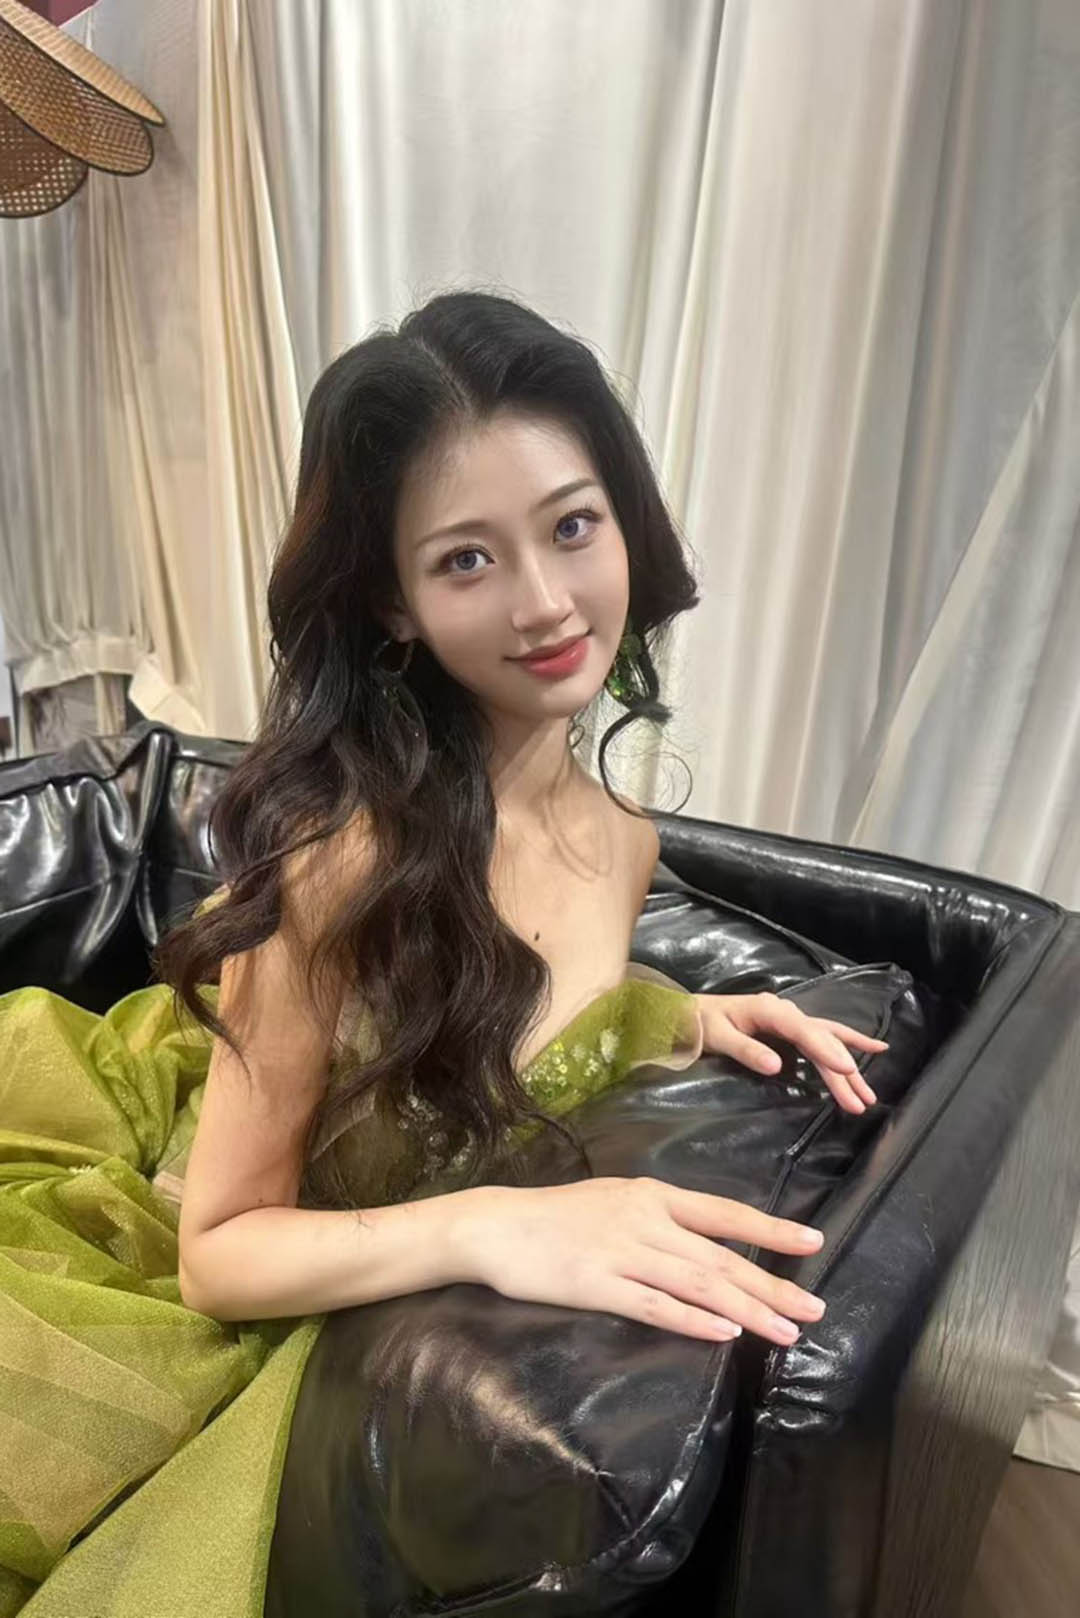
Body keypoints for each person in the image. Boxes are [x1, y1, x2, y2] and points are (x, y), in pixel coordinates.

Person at [0, 290, 882, 1616]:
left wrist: (688, 1016)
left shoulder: (621, 839)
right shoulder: (338, 860)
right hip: (170, 1267)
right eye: (467, 560)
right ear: (394, 604)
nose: (547, 602)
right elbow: (217, 1251)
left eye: (572, 526)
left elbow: (519, 1014)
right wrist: (494, 1226)